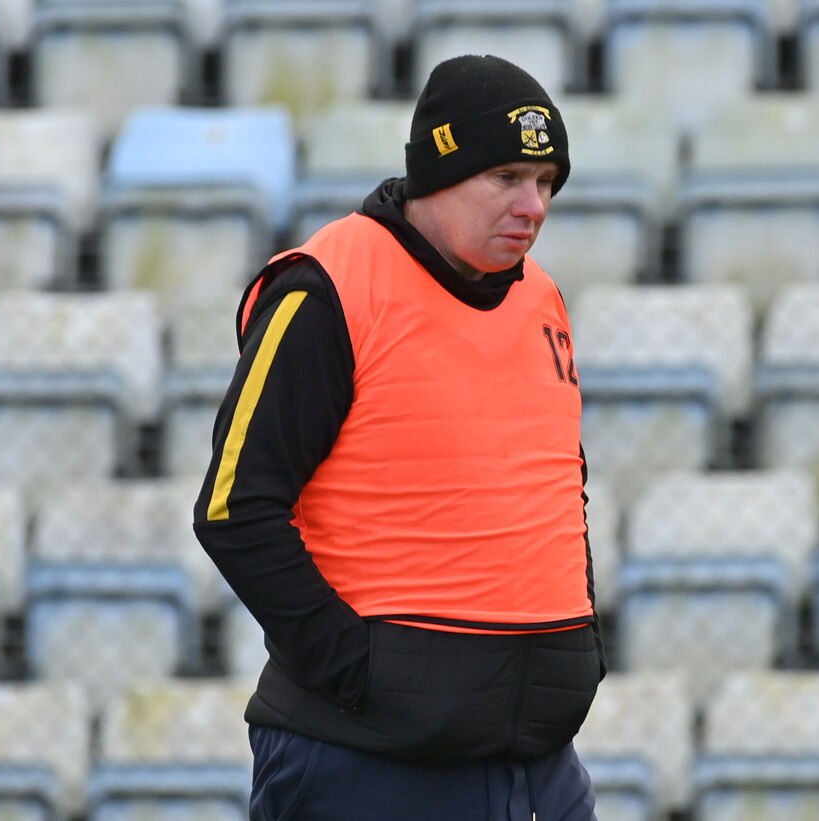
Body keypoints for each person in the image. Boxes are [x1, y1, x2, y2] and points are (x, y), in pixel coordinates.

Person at [192, 54, 606, 820]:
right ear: (439, 171)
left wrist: (577, 644)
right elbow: (232, 508)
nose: (534, 205)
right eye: (509, 176)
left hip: (540, 765)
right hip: (366, 767)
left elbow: (558, 481)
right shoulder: (328, 288)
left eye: (547, 182)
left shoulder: (543, 297)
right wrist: (359, 674)